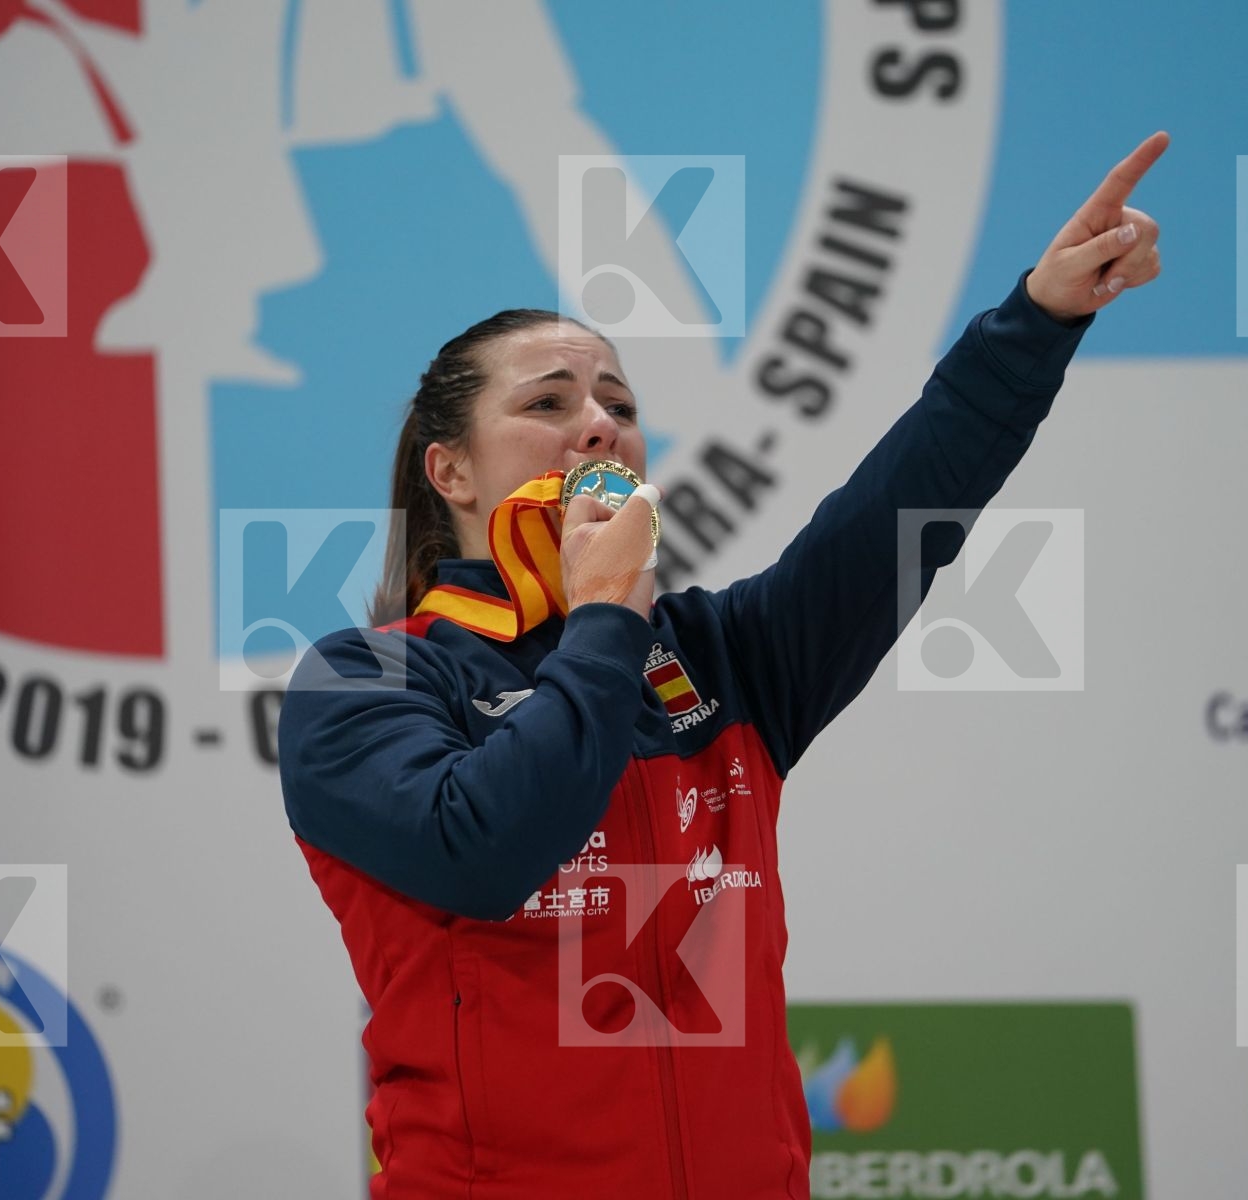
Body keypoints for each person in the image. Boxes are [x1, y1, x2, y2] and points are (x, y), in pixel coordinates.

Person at [278, 132, 1169, 1198]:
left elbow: (903, 510)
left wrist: (1040, 319)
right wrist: (604, 616)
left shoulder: (723, 658)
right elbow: (483, 851)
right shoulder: (361, 683)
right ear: (450, 469)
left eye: (619, 404)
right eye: (548, 403)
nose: (598, 426)